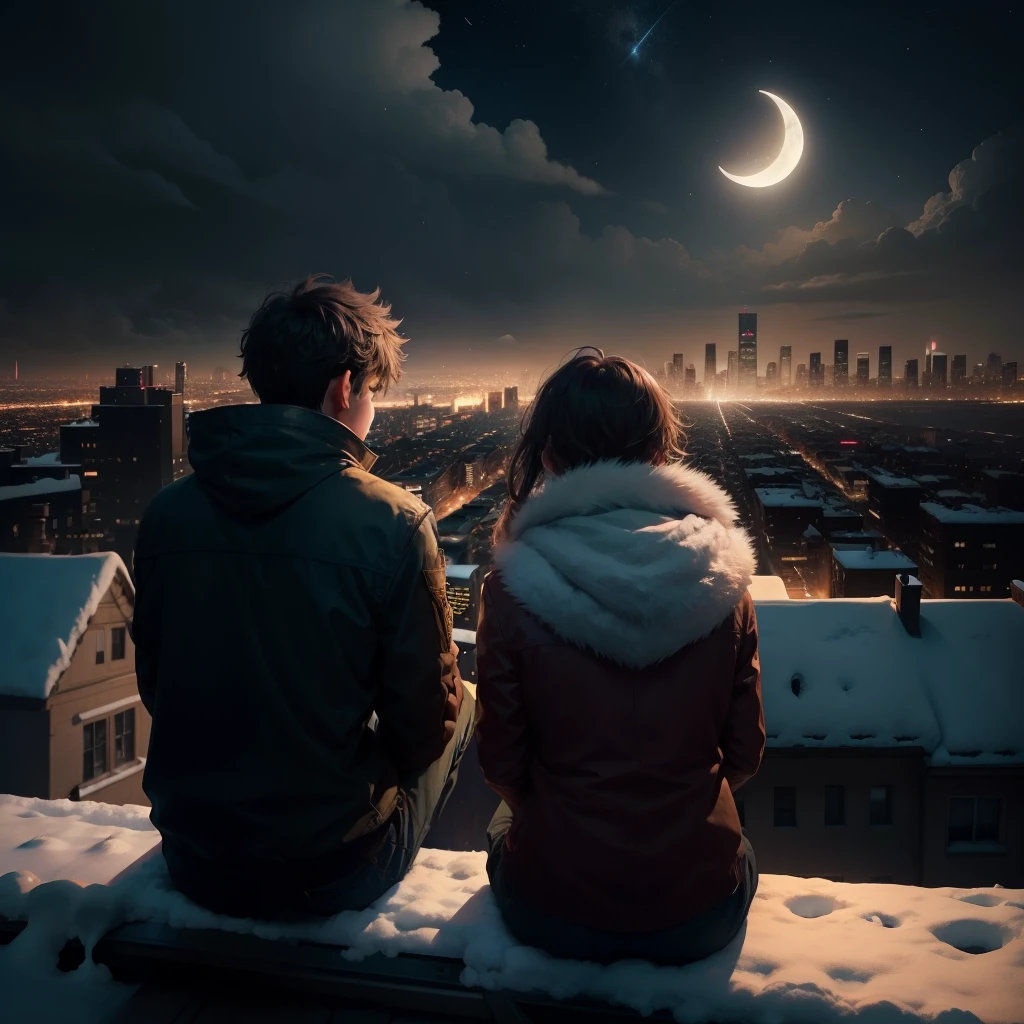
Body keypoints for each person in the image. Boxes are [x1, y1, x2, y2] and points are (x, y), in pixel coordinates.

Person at [132, 275, 473, 920]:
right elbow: (424, 724)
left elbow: (158, 685)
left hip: (195, 857)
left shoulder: (168, 514)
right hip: (329, 871)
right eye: (371, 390)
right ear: (344, 386)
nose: (371, 406)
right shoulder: (393, 522)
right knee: (466, 702)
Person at [475, 349, 764, 965]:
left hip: (553, 908)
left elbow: (501, 764)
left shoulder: (513, 585)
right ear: (660, 454)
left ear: (549, 455)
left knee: (503, 829)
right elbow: (744, 755)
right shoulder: (723, 578)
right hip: (700, 909)